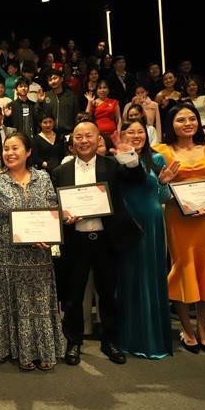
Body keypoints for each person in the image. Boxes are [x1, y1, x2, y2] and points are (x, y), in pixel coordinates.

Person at [51, 120, 146, 366]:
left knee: (108, 293)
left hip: (107, 240)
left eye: (88, 136)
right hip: (75, 241)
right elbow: (54, 208)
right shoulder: (61, 172)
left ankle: (110, 341)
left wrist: (130, 157)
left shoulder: (113, 166)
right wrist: (63, 217)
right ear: (72, 142)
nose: (83, 141)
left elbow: (137, 179)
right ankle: (73, 342)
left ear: (97, 139)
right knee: (73, 295)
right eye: (78, 136)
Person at [0, 133, 65, 370]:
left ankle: (43, 350)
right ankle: (18, 351)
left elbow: (53, 209)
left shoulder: (43, 178)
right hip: (7, 255)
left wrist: (49, 235)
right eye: (6, 149)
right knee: (13, 303)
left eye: (15, 148)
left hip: (39, 255)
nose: (9, 153)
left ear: (28, 151)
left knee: (39, 303)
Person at [152, 104, 205, 354]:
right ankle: (186, 328)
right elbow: (157, 188)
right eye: (180, 119)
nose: (187, 123)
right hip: (179, 218)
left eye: (191, 118)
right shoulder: (161, 151)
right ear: (171, 124)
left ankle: (203, 328)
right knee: (183, 267)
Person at [117, 119, 178, 358]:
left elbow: (162, 197)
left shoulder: (158, 159)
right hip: (128, 223)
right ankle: (128, 337)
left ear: (147, 134)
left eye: (140, 131)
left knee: (150, 277)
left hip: (152, 223)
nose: (135, 135)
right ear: (123, 136)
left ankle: (151, 338)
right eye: (130, 132)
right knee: (128, 277)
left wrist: (164, 183)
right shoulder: (118, 161)